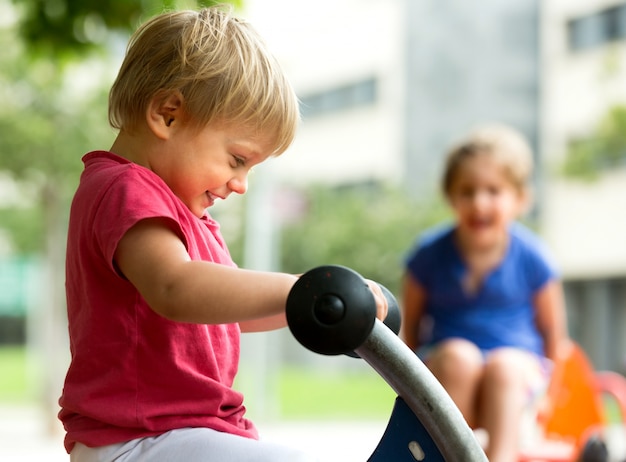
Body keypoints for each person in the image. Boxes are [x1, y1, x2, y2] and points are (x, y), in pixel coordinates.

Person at [57, 6, 388, 462]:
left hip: (182, 434)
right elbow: (175, 287)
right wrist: (302, 287)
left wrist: (320, 306)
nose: (241, 183)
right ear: (167, 115)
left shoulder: (184, 214)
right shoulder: (125, 189)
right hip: (138, 438)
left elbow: (231, 311)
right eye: (237, 159)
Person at [400, 124, 569, 462]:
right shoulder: (427, 256)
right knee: (460, 356)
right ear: (451, 197)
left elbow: (554, 334)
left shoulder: (533, 258)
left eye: (494, 191)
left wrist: (553, 394)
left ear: (520, 199)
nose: (479, 203)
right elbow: (411, 332)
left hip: (517, 377)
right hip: (451, 372)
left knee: (505, 365)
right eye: (467, 191)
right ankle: (446, 454)